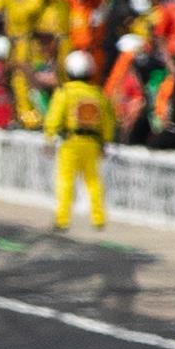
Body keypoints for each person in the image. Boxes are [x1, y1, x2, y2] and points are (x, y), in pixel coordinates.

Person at [45, 50, 115, 227]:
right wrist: (105, 141)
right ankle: (98, 218)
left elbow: (54, 117)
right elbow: (107, 120)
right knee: (93, 181)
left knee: (66, 181)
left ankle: (62, 220)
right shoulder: (97, 93)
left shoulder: (65, 92)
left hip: (71, 142)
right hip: (92, 143)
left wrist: (50, 137)